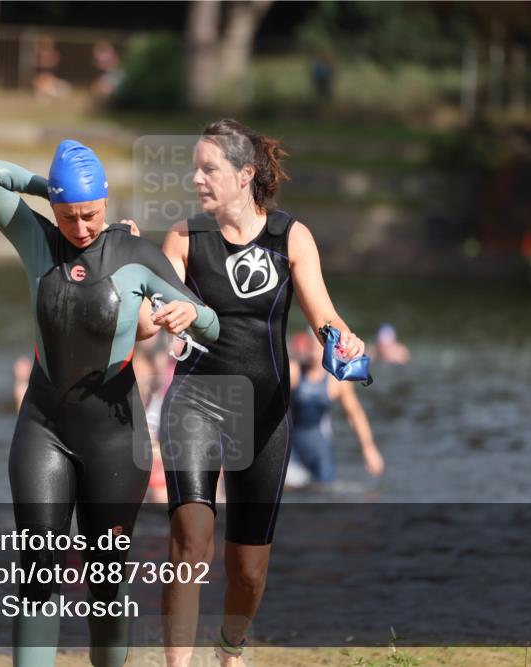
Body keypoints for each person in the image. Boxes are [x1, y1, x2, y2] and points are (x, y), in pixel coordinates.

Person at [0, 139, 219, 667]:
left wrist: (186, 316)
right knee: (38, 567)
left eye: (90, 214)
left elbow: (210, 321)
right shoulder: (38, 240)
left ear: (106, 204)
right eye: (68, 215)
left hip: (114, 438)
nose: (80, 227)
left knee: (105, 578)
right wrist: (52, 191)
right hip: (44, 429)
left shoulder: (138, 255)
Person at [136, 119, 368, 666]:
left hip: (265, 416)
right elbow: (149, 317)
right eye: (195, 167)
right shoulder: (185, 237)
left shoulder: (292, 237)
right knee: (190, 540)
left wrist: (344, 340)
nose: (197, 178)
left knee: (248, 568)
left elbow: (323, 316)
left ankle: (230, 649)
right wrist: (159, 311)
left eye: (209, 168)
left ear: (244, 175)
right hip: (194, 402)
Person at [286, 330, 384, 488]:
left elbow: (355, 414)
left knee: (325, 494)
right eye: (311, 343)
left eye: (318, 345)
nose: (314, 349)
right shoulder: (294, 371)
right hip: (293, 448)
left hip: (320, 449)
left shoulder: (336, 381)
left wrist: (368, 448)